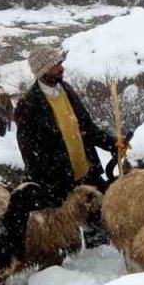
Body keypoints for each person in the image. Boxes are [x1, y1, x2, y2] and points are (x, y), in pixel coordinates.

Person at [14, 46, 119, 244]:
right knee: (66, 235)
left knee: (99, 225)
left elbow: (87, 127)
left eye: (60, 63)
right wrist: (47, 184)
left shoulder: (67, 90)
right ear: (42, 70)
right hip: (59, 181)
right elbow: (29, 153)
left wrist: (112, 143)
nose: (61, 68)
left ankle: (100, 259)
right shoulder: (28, 105)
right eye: (55, 65)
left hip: (87, 172)